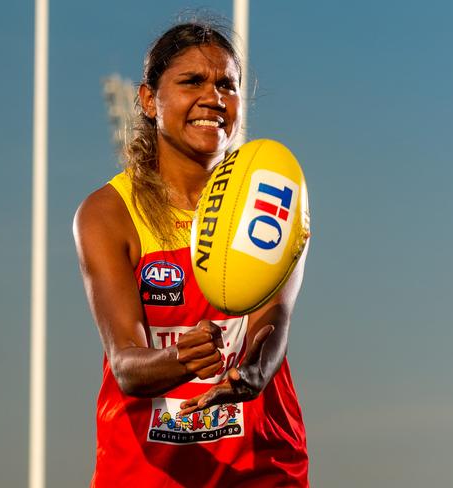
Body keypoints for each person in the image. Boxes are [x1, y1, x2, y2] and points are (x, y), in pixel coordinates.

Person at [74, 21, 310, 487]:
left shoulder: (271, 192)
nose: (214, 98)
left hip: (259, 466)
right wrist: (181, 359)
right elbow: (126, 364)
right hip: (146, 472)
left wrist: (251, 373)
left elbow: (273, 327)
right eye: (192, 82)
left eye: (227, 84)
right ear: (147, 100)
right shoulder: (108, 212)